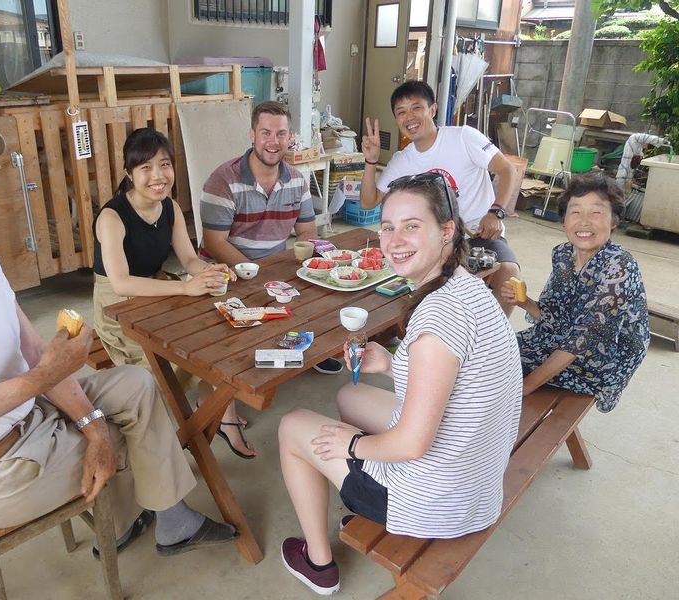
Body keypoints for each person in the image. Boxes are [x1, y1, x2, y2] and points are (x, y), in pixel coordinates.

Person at [0, 109, 237, 561]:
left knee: (140, 387)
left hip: (26, 420)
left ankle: (148, 518)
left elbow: (35, 351)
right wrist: (54, 392)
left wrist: (90, 424)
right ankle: (149, 519)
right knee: (150, 431)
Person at [278, 173, 522, 595]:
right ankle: (356, 490)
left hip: (437, 502)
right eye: (388, 227)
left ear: (446, 231)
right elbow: (454, 377)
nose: (395, 240)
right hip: (474, 478)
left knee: (291, 425)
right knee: (349, 394)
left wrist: (352, 445)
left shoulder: (435, 320)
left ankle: (318, 562)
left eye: (412, 226)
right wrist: (391, 364)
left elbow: (411, 445)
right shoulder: (467, 287)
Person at [92, 127, 254, 459]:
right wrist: (184, 286)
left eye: (164, 165)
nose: (158, 176)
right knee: (167, 356)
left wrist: (207, 273)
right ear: (129, 174)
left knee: (216, 330)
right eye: (146, 168)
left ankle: (212, 410)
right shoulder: (112, 216)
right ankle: (180, 423)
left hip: (158, 288)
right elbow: (121, 282)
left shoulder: (171, 206)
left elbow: (190, 258)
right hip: (118, 304)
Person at [200, 100, 343, 375]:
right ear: (252, 135)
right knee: (234, 333)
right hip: (226, 270)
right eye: (265, 133)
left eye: (280, 134)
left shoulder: (297, 180)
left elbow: (306, 231)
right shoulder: (223, 180)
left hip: (274, 267)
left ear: (290, 138)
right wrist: (257, 275)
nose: (273, 141)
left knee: (318, 287)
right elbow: (213, 243)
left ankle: (310, 349)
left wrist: (308, 261)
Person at [360, 80, 520, 314]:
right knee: (396, 283)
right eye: (401, 112)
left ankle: (489, 336)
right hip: (430, 240)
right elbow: (368, 201)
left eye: (416, 108)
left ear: (432, 109)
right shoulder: (402, 159)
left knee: (508, 274)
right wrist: (371, 160)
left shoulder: (463, 137)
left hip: (478, 234)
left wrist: (496, 211)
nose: (409, 117)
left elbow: (507, 170)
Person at [500, 174, 649, 412]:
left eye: (596, 213)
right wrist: (524, 302)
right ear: (564, 221)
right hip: (560, 340)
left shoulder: (619, 266)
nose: (584, 222)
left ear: (613, 221)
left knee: (496, 375)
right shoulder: (562, 255)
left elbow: (583, 340)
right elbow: (557, 319)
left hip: (600, 362)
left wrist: (524, 388)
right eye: (575, 212)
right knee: (486, 352)